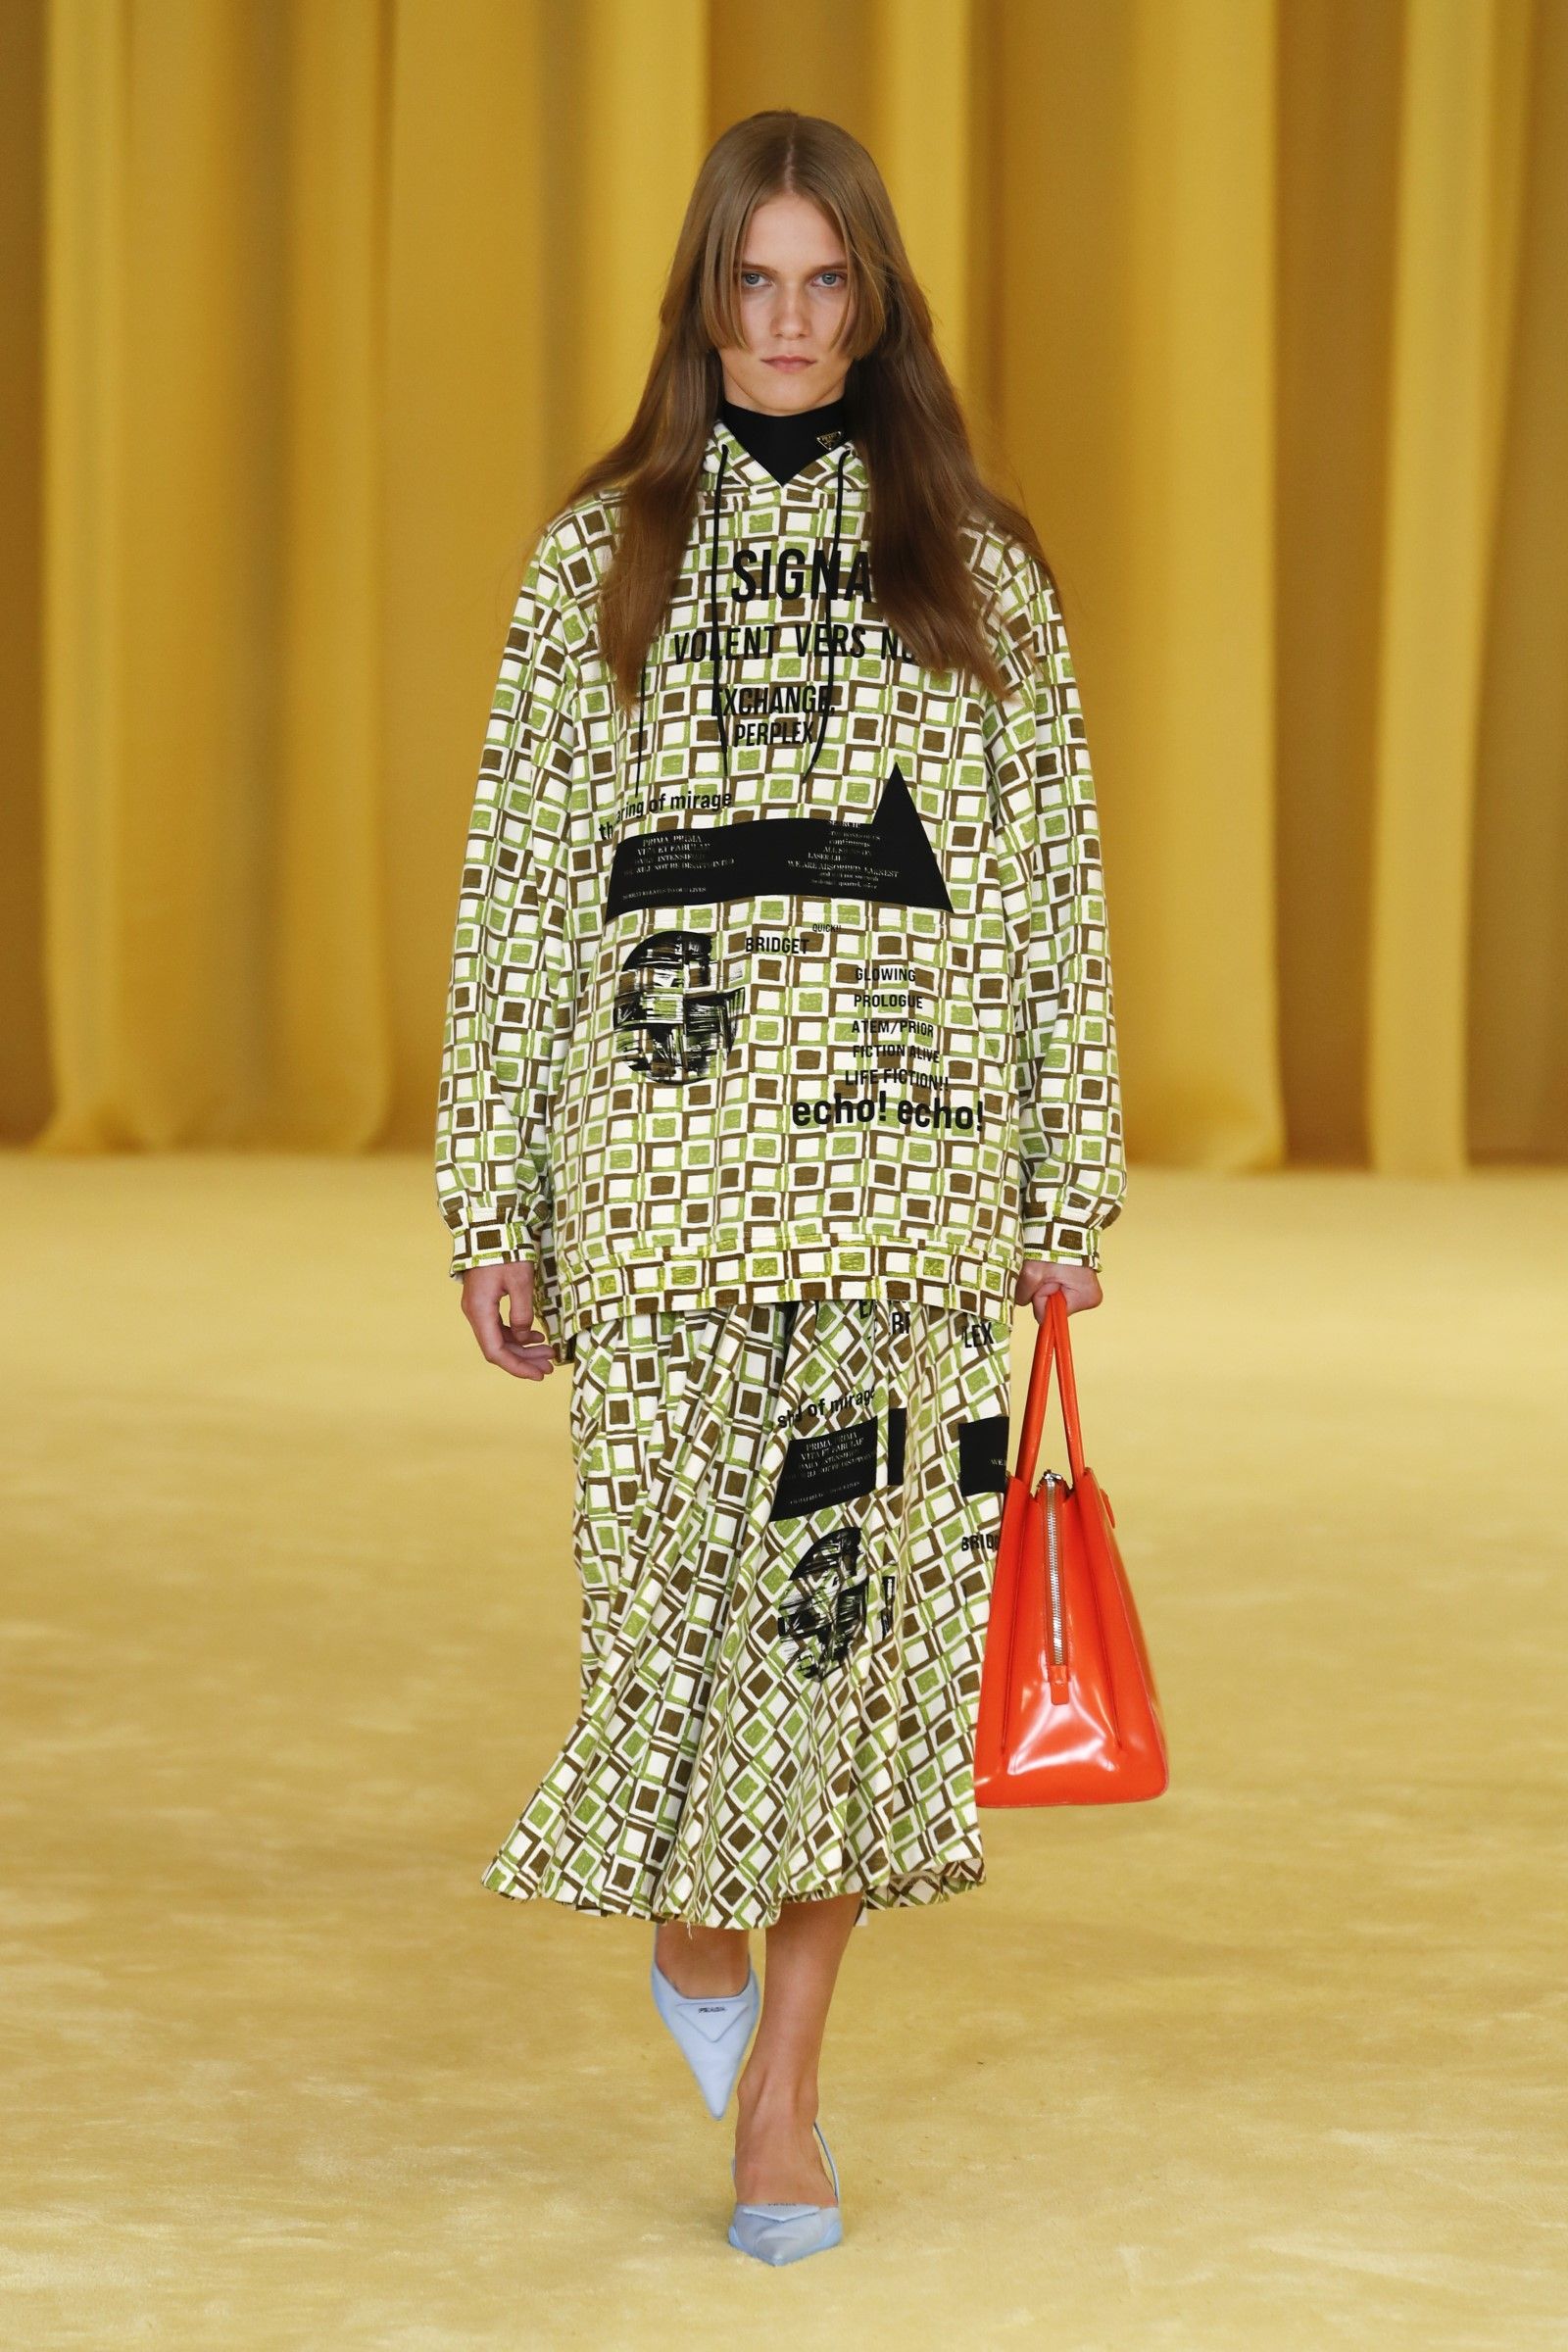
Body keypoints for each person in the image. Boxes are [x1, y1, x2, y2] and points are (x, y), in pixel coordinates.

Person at [432, 109, 1126, 2266]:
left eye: (829, 284)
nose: (793, 323)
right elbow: (520, 889)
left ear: (877, 303)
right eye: (757, 281)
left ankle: (786, 2105)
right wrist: (494, 1194)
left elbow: (1047, 882)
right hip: (661, 1183)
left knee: (856, 1645)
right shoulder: (601, 560)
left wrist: (1062, 1182)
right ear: (704, 296)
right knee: (664, 1624)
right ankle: (693, 1934)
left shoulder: (975, 567)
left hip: (909, 1189)